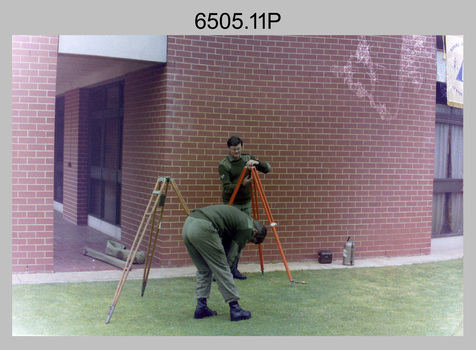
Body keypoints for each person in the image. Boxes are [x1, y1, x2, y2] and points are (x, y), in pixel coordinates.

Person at [182, 204, 267, 321]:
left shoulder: (240, 220)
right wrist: (225, 277)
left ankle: (201, 308)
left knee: (204, 269)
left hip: (189, 224)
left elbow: (226, 244)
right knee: (222, 268)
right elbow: (232, 255)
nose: (247, 242)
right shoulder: (248, 228)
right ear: (255, 231)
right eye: (251, 240)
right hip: (204, 227)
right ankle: (235, 310)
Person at [218, 136, 271, 279]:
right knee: (228, 236)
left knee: (243, 234)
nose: (237, 152)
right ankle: (223, 270)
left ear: (242, 147)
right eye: (234, 150)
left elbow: (267, 169)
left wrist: (257, 162)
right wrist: (242, 184)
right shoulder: (224, 165)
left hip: (246, 203)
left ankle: (234, 268)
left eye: (239, 149)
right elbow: (227, 188)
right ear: (229, 149)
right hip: (231, 204)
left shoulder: (247, 158)